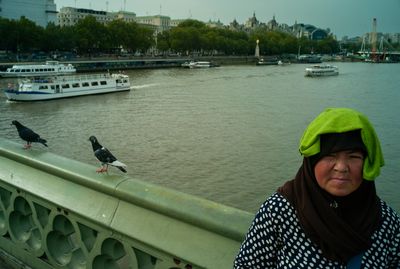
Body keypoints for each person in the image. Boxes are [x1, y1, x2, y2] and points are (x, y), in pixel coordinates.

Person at [234, 107, 400, 268]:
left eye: (354, 156)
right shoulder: (279, 211)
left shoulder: (386, 221)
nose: (341, 167)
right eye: (330, 155)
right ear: (312, 162)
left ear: (367, 163)